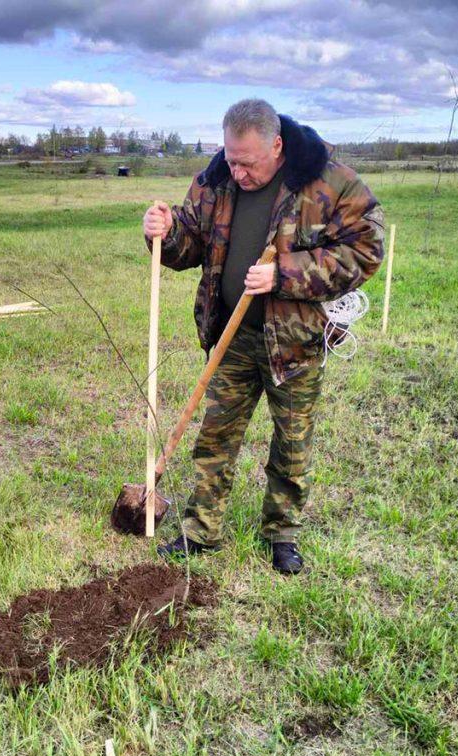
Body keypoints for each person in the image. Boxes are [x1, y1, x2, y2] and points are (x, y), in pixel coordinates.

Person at [143, 99, 384, 574]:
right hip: (231, 335)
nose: (237, 171)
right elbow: (188, 242)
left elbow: (367, 249)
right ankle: (200, 530)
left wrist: (285, 275)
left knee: (291, 443)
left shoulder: (329, 182)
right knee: (216, 437)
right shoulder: (215, 180)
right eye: (230, 158)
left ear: (276, 146)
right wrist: (165, 232)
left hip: (293, 341)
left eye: (247, 163)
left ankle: (282, 534)